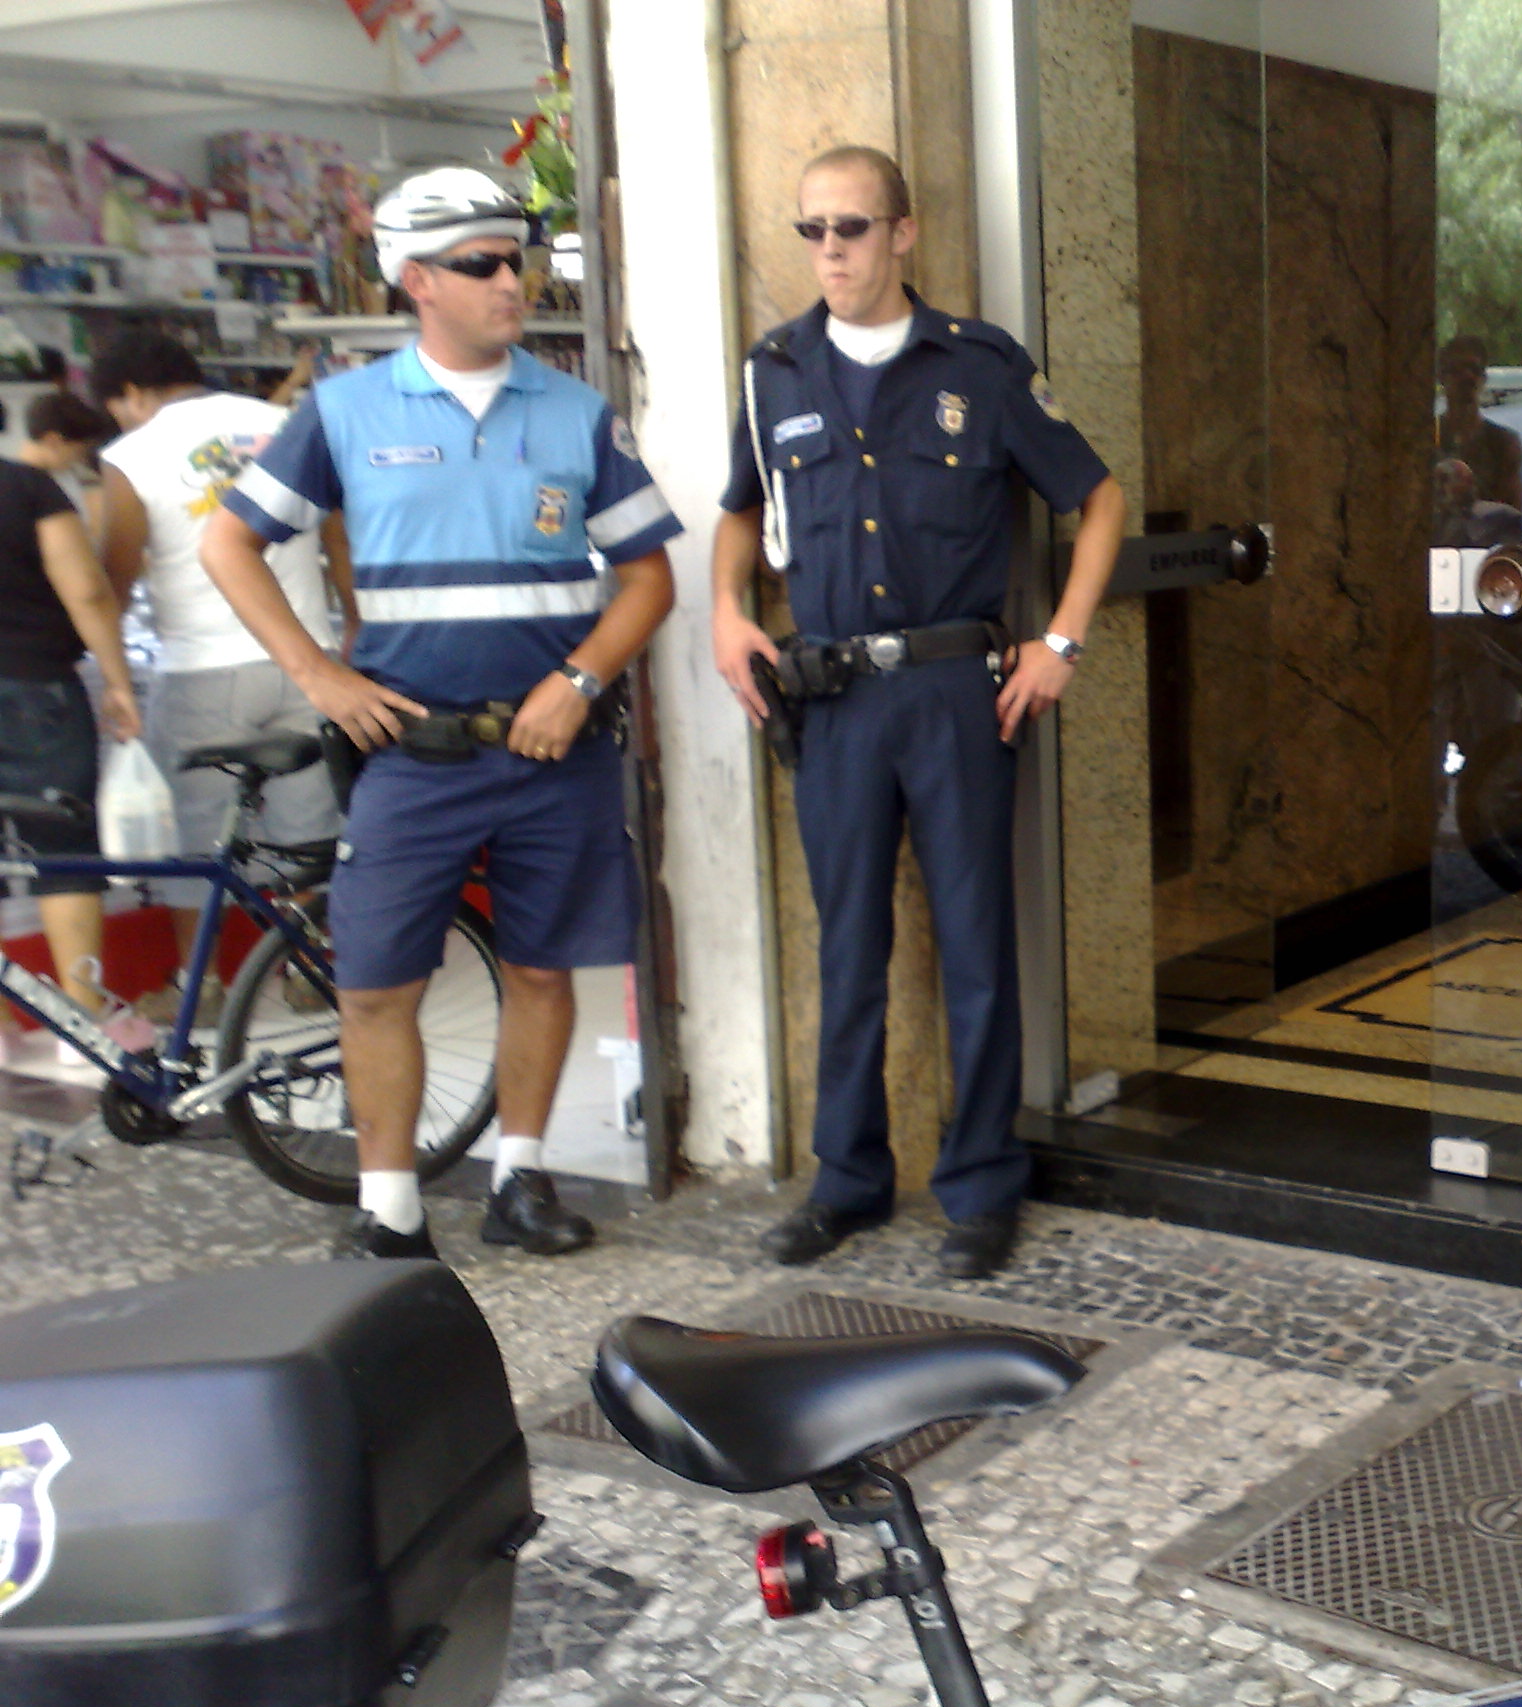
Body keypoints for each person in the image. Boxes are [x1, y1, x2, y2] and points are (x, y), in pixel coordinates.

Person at [203, 167, 681, 1261]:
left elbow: (648, 578)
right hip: (411, 754)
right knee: (375, 980)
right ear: (416, 279)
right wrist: (320, 676)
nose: (514, 280)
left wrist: (579, 682)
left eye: (521, 259)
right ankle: (392, 1210)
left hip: (552, 747)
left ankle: (519, 1179)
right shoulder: (342, 410)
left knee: (543, 969)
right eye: (484, 264)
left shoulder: (575, 412)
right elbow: (228, 541)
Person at [712, 144, 1124, 1279]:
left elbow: (1097, 497)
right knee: (849, 947)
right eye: (812, 231)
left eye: (851, 227)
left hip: (956, 692)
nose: (831, 250)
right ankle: (845, 1182)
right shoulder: (775, 372)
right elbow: (740, 514)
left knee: (977, 946)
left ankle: (981, 1189)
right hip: (833, 698)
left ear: (903, 232)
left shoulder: (980, 368)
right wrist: (722, 614)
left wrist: (1062, 642)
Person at [94, 328, 350, 990]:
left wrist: (109, 665)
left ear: (131, 393)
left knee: (199, 834)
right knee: (308, 829)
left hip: (200, 669)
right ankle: (308, 971)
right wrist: (353, 618)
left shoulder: (131, 455)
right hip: (305, 658)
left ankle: (201, 984)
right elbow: (339, 526)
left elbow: (112, 582)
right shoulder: (285, 424)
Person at [0, 448, 142, 1052]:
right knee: (64, 848)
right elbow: (85, 588)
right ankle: (81, 1023)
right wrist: (117, 680)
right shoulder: (26, 486)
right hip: (35, 687)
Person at [1433, 334, 1522, 513]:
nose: (1467, 376)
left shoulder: (1503, 443)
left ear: (1483, 378)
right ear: (1441, 377)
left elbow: (1512, 515)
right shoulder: (1423, 439)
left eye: (1474, 369)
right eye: (1456, 369)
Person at [16, 390, 119, 544]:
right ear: (53, 441)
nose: (80, 458)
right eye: (80, 450)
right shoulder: (15, 488)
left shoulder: (65, 477)